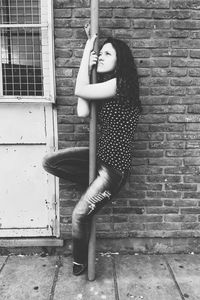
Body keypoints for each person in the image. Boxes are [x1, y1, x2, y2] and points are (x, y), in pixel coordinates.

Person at [42, 27, 142, 276]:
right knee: (50, 162)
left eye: (108, 54)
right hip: (97, 158)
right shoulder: (106, 88)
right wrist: (89, 68)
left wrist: (89, 49)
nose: (102, 57)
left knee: (79, 215)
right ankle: (91, 186)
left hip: (113, 170)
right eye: (101, 53)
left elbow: (79, 90)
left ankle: (79, 263)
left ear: (121, 61)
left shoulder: (120, 84)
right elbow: (83, 111)